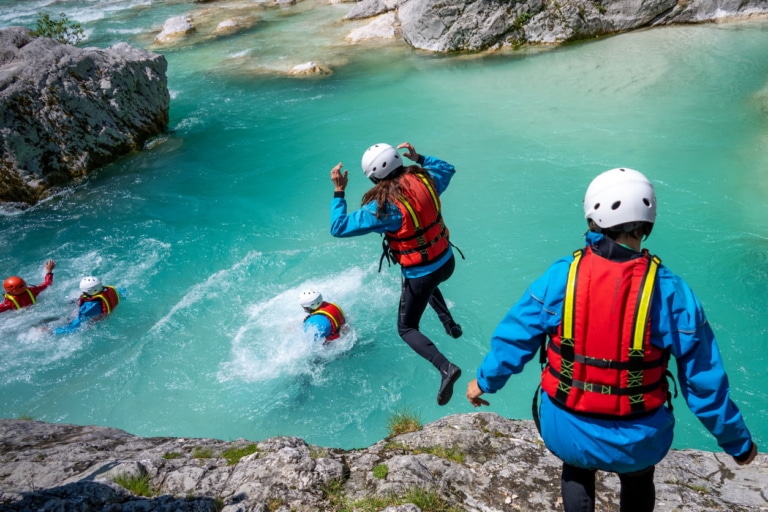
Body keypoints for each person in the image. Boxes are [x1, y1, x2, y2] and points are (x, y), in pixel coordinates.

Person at [466, 167, 758, 512]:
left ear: (593, 217)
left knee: (576, 469)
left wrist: (484, 382)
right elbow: (705, 383)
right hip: (639, 440)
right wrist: (738, 444)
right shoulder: (672, 292)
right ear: (647, 223)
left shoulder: (562, 275)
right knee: (638, 477)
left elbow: (516, 338)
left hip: (567, 427)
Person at [329, 141, 463, 406]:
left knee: (407, 327)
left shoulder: (384, 207)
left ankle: (445, 367)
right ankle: (451, 325)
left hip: (422, 272)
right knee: (425, 282)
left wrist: (339, 191)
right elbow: (448, 168)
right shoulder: (427, 181)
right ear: (399, 161)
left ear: (375, 177)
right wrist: (420, 156)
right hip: (446, 261)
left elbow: (339, 227)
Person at [53, 276, 121, 335]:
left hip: (95, 319)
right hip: (106, 309)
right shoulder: (111, 290)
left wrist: (53, 332)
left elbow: (75, 325)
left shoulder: (88, 308)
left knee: (67, 319)